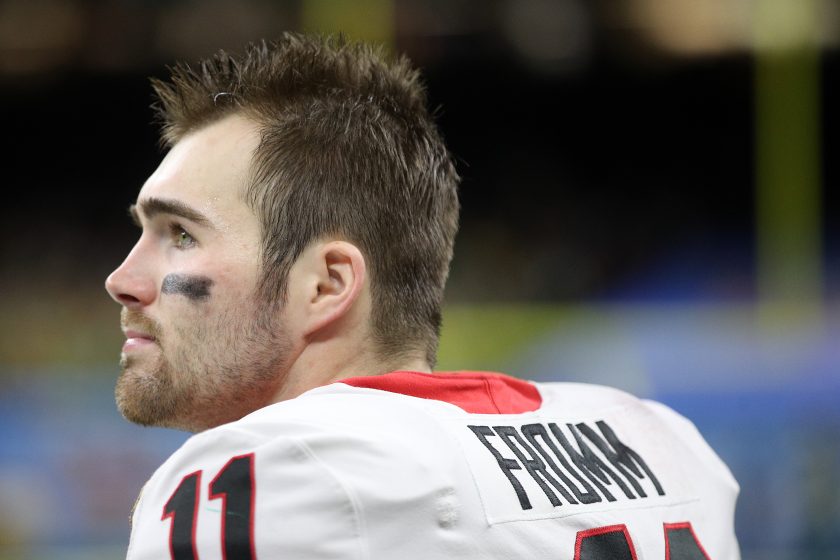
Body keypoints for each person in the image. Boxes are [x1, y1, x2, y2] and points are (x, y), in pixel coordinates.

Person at [105, 33, 740, 559]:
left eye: (180, 235)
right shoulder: (662, 441)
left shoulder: (262, 474)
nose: (122, 279)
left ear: (326, 285)